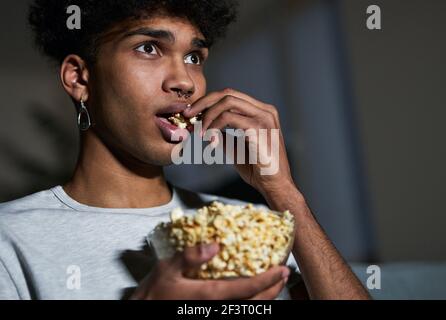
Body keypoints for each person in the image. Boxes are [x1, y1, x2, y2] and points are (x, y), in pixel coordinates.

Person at [0, 0, 370, 300]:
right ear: (80, 78)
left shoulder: (252, 224)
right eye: (149, 48)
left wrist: (284, 193)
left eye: (194, 57)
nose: (184, 82)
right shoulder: (10, 236)